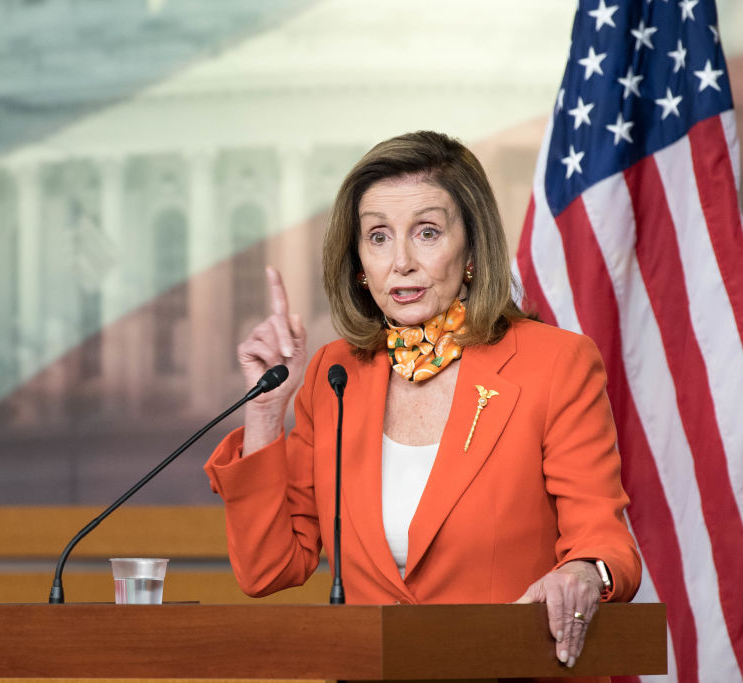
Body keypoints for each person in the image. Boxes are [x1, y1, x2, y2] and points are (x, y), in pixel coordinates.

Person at [203, 131, 641, 673]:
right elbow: (268, 569)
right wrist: (267, 409)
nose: (401, 262)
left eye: (427, 232)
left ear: (474, 248)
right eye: (379, 237)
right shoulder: (333, 374)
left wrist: (582, 574)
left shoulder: (555, 364)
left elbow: (606, 543)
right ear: (359, 262)